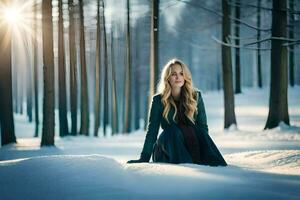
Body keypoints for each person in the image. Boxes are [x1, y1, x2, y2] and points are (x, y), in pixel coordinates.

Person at [127, 58, 227, 166]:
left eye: (181, 73)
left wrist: (204, 151)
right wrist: (144, 157)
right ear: (167, 78)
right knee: (173, 130)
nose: (178, 77)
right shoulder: (158, 100)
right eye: (174, 74)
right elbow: (152, 132)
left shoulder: (196, 96)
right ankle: (186, 165)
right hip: (166, 149)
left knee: (198, 130)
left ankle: (208, 162)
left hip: (190, 145)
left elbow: (203, 128)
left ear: (185, 76)